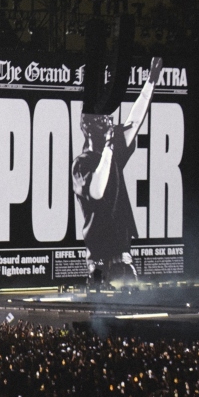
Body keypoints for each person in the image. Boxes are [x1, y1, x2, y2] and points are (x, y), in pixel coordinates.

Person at [72, 57, 163, 286]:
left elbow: (136, 118)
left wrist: (151, 81)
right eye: (102, 121)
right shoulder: (82, 163)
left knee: (127, 291)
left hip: (121, 244)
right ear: (89, 128)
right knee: (99, 293)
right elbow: (97, 191)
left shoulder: (113, 148)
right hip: (99, 246)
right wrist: (110, 149)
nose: (108, 122)